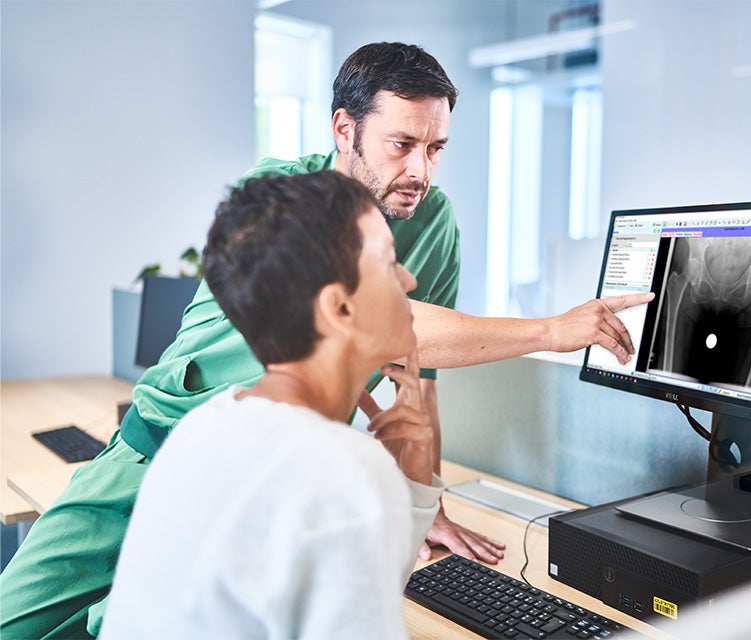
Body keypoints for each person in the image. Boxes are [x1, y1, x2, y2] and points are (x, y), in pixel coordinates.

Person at [0, 42, 653, 639]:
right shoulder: (286, 204)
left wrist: (421, 504)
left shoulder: (434, 224)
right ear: (345, 129)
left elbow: (413, 375)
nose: (421, 171)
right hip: (150, 457)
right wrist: (552, 330)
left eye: (436, 148)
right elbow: (397, 320)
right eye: (401, 144)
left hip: (266, 484)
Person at [99, 170, 443, 638]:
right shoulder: (337, 468)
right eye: (388, 264)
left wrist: (415, 473)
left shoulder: (206, 426)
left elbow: (357, 584)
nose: (409, 279)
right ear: (339, 308)